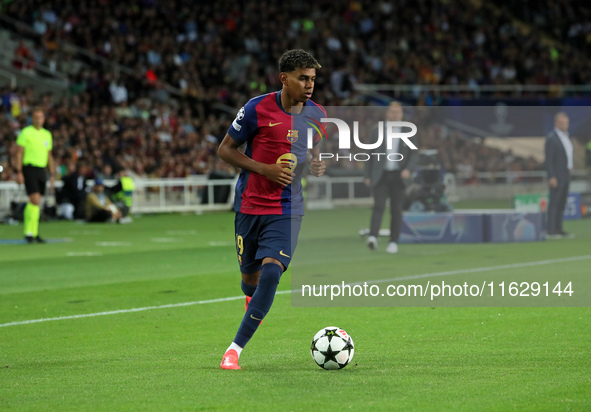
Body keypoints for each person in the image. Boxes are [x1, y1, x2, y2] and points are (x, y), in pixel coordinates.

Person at [217, 49, 327, 370]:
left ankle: (234, 350)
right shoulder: (256, 109)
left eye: (313, 79)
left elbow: (313, 148)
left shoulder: (318, 115)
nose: (309, 85)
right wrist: (264, 169)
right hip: (249, 207)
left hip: (287, 209)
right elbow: (225, 149)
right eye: (303, 78)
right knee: (249, 280)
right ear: (284, 78)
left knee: (270, 273)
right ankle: (253, 300)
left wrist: (317, 164)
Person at [364, 102, 418, 253]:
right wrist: (367, 175)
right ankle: (373, 236)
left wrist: (407, 169)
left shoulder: (408, 130)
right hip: (381, 174)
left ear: (401, 114)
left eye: (398, 112)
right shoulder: (377, 130)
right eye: (392, 112)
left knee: (396, 209)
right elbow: (369, 153)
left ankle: (393, 241)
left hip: (398, 175)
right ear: (387, 113)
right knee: (378, 206)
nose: (395, 114)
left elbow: (414, 153)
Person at [15, 107, 55, 243]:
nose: (38, 120)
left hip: (41, 170)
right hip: (29, 168)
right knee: (35, 199)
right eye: (36, 117)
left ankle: (34, 232)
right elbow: (19, 153)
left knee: (37, 203)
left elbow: (49, 156)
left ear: (43, 119)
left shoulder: (47, 135)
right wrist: (18, 171)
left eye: (41, 117)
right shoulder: (26, 133)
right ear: (32, 119)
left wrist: (53, 174)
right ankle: (29, 232)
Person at [545, 112, 575, 239]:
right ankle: (551, 230)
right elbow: (549, 159)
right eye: (562, 123)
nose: (565, 125)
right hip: (557, 175)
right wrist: (552, 176)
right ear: (556, 123)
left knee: (562, 202)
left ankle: (559, 228)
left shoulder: (567, 137)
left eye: (566, 123)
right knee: (554, 202)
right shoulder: (552, 138)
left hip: (566, 173)